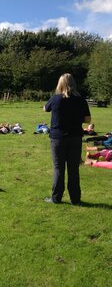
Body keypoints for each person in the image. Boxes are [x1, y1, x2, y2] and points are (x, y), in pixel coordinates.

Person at [43, 73, 91, 205]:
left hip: (58, 138)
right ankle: (75, 199)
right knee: (73, 169)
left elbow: (45, 108)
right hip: (75, 138)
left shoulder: (55, 99)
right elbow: (88, 119)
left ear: (60, 84)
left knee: (58, 168)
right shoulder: (81, 100)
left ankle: (56, 198)